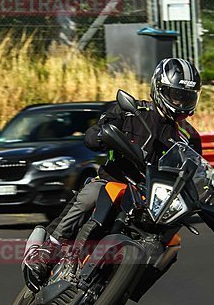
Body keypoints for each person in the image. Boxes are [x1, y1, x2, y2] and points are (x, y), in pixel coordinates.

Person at [22, 57, 204, 289]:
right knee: (91, 194)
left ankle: (126, 287)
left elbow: (195, 169)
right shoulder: (131, 111)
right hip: (114, 180)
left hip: (152, 200)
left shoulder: (189, 136)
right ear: (159, 89)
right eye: (176, 95)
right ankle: (49, 249)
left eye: (187, 97)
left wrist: (207, 198)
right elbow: (96, 131)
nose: (181, 102)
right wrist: (99, 136)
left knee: (170, 241)